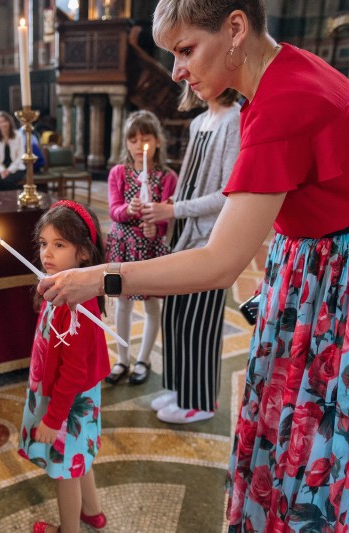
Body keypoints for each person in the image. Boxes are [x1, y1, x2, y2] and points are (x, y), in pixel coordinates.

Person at [38, 1, 349, 531]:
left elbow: (220, 263)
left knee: (320, 447)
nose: (176, 70)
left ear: (236, 28)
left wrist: (101, 277)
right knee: (295, 431)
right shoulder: (285, 70)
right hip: (340, 263)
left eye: (185, 50)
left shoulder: (281, 103)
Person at [140, 86, 241, 423]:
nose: (183, 76)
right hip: (184, 233)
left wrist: (174, 210)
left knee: (200, 322)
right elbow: (186, 182)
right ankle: (179, 387)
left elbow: (228, 192)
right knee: (176, 316)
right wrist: (167, 211)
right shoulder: (199, 122)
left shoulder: (234, 119)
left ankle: (200, 400)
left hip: (211, 239)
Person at [19, 200, 109, 533]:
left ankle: (68, 529)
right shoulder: (58, 289)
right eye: (44, 244)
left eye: (59, 244)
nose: (47, 252)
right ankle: (93, 511)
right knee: (79, 455)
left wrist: (54, 418)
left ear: (84, 252)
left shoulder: (76, 306)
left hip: (69, 401)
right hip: (70, 395)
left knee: (64, 470)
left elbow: (72, 372)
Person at [104, 110, 177, 386]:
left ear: (157, 142)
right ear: (126, 143)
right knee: (121, 303)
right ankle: (122, 358)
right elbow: (113, 210)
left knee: (151, 305)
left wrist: (155, 228)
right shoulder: (118, 173)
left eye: (145, 139)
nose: (138, 146)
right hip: (123, 244)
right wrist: (128, 209)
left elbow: (169, 215)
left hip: (150, 248)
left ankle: (143, 359)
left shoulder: (168, 176)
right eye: (132, 140)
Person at [0, 111, 25, 190]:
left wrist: (9, 170)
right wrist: (2, 170)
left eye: (5, 121)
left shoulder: (18, 135)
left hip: (16, 167)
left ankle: (11, 201)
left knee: (7, 181)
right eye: (0, 122)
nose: (3, 124)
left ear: (9, 122)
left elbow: (20, 156)